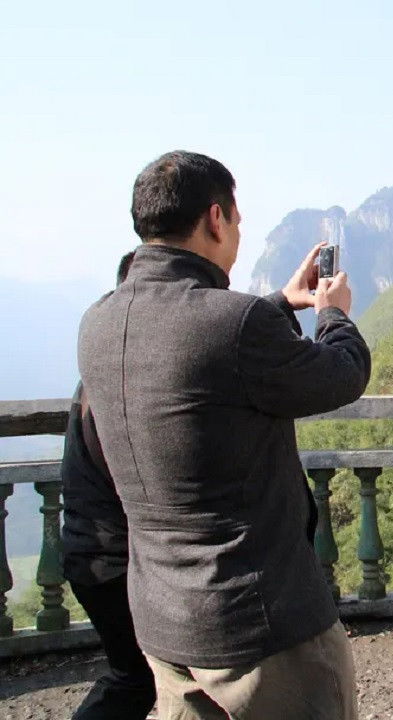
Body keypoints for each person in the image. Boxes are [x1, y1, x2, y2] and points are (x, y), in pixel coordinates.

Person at [77, 150, 371, 719]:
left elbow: (189, 351)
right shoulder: (232, 323)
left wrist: (280, 302)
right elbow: (342, 374)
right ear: (216, 218)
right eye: (236, 220)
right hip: (259, 625)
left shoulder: (99, 320)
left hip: (163, 623)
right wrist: (333, 315)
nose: (237, 231)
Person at [61, 251, 156, 720]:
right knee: (136, 680)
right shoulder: (124, 376)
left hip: (90, 554)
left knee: (138, 678)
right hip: (112, 561)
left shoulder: (105, 361)